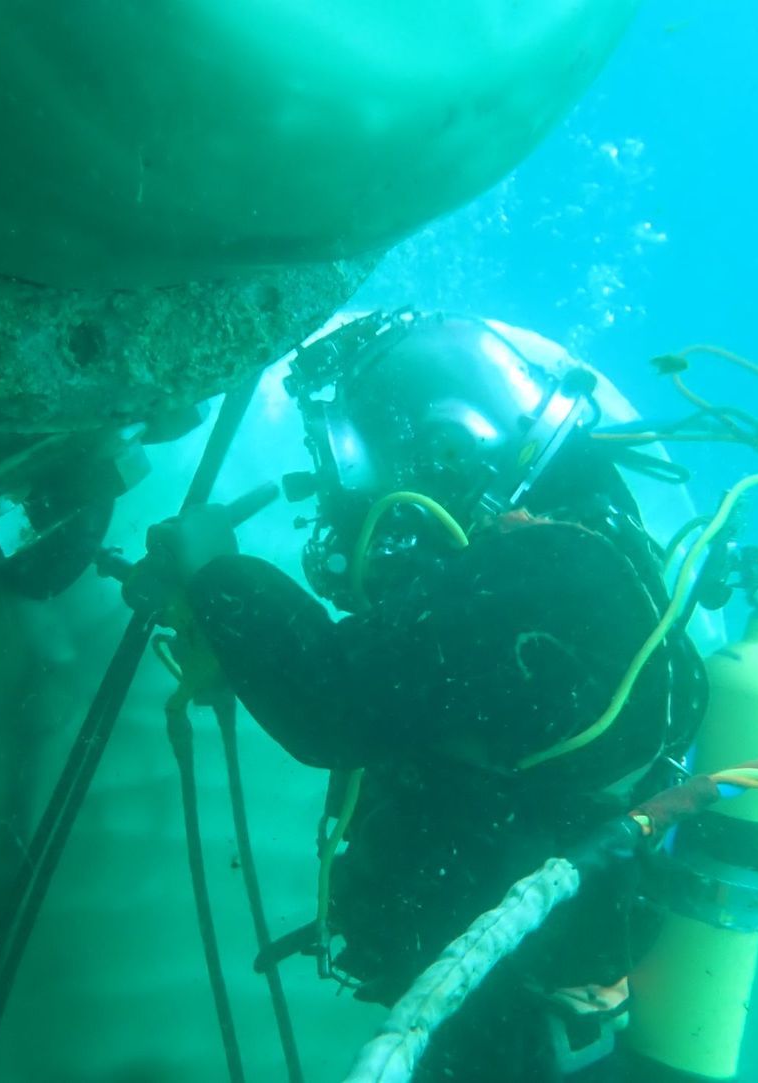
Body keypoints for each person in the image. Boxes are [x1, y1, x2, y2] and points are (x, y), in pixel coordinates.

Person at [169, 311, 710, 1081]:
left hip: (507, 1013)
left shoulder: (540, 570)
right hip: (526, 990)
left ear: (445, 446)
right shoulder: (589, 542)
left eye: (356, 463)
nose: (348, 502)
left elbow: (334, 700)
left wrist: (214, 571)